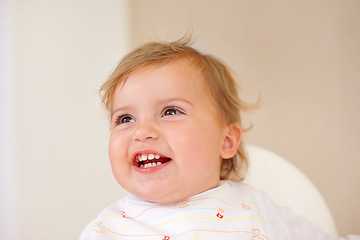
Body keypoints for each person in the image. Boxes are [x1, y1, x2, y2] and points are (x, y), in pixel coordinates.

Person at [79, 35, 359, 240]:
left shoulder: (256, 206)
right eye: (125, 119)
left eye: (170, 111)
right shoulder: (106, 230)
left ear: (226, 141)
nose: (142, 131)